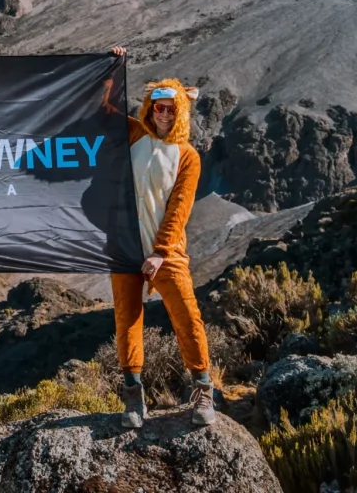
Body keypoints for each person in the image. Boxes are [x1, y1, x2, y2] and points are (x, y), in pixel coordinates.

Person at [107, 46, 216, 429]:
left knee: (186, 315)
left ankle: (203, 389)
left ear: (181, 111)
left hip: (164, 251)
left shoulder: (186, 156)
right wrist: (113, 64)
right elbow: (104, 106)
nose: (164, 113)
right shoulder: (135, 134)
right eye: (158, 106)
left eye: (171, 108)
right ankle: (133, 398)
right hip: (124, 247)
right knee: (127, 319)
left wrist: (161, 251)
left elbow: (179, 208)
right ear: (149, 107)